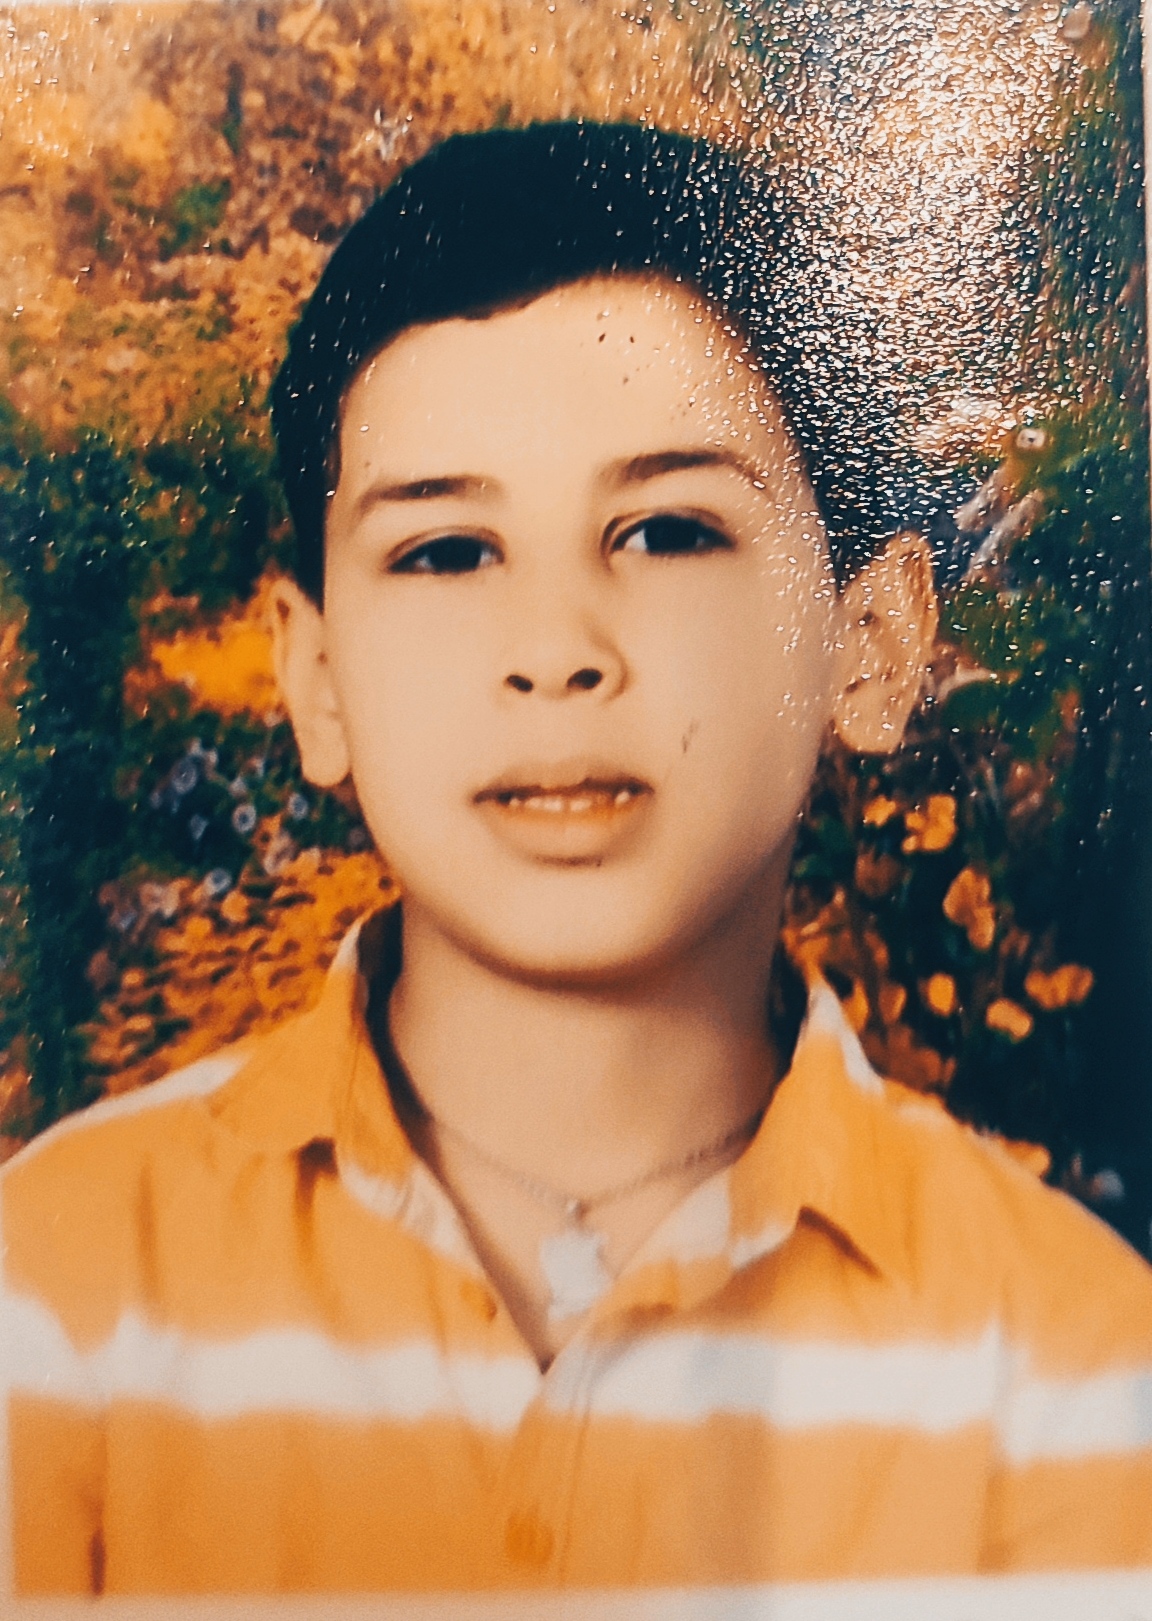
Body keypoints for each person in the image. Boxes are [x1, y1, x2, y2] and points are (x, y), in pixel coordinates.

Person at [1, 121, 1149, 1598]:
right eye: (445, 550)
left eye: (666, 531)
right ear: (316, 677)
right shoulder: (57, 1292)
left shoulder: (1065, 1367)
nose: (555, 652)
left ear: (870, 643)